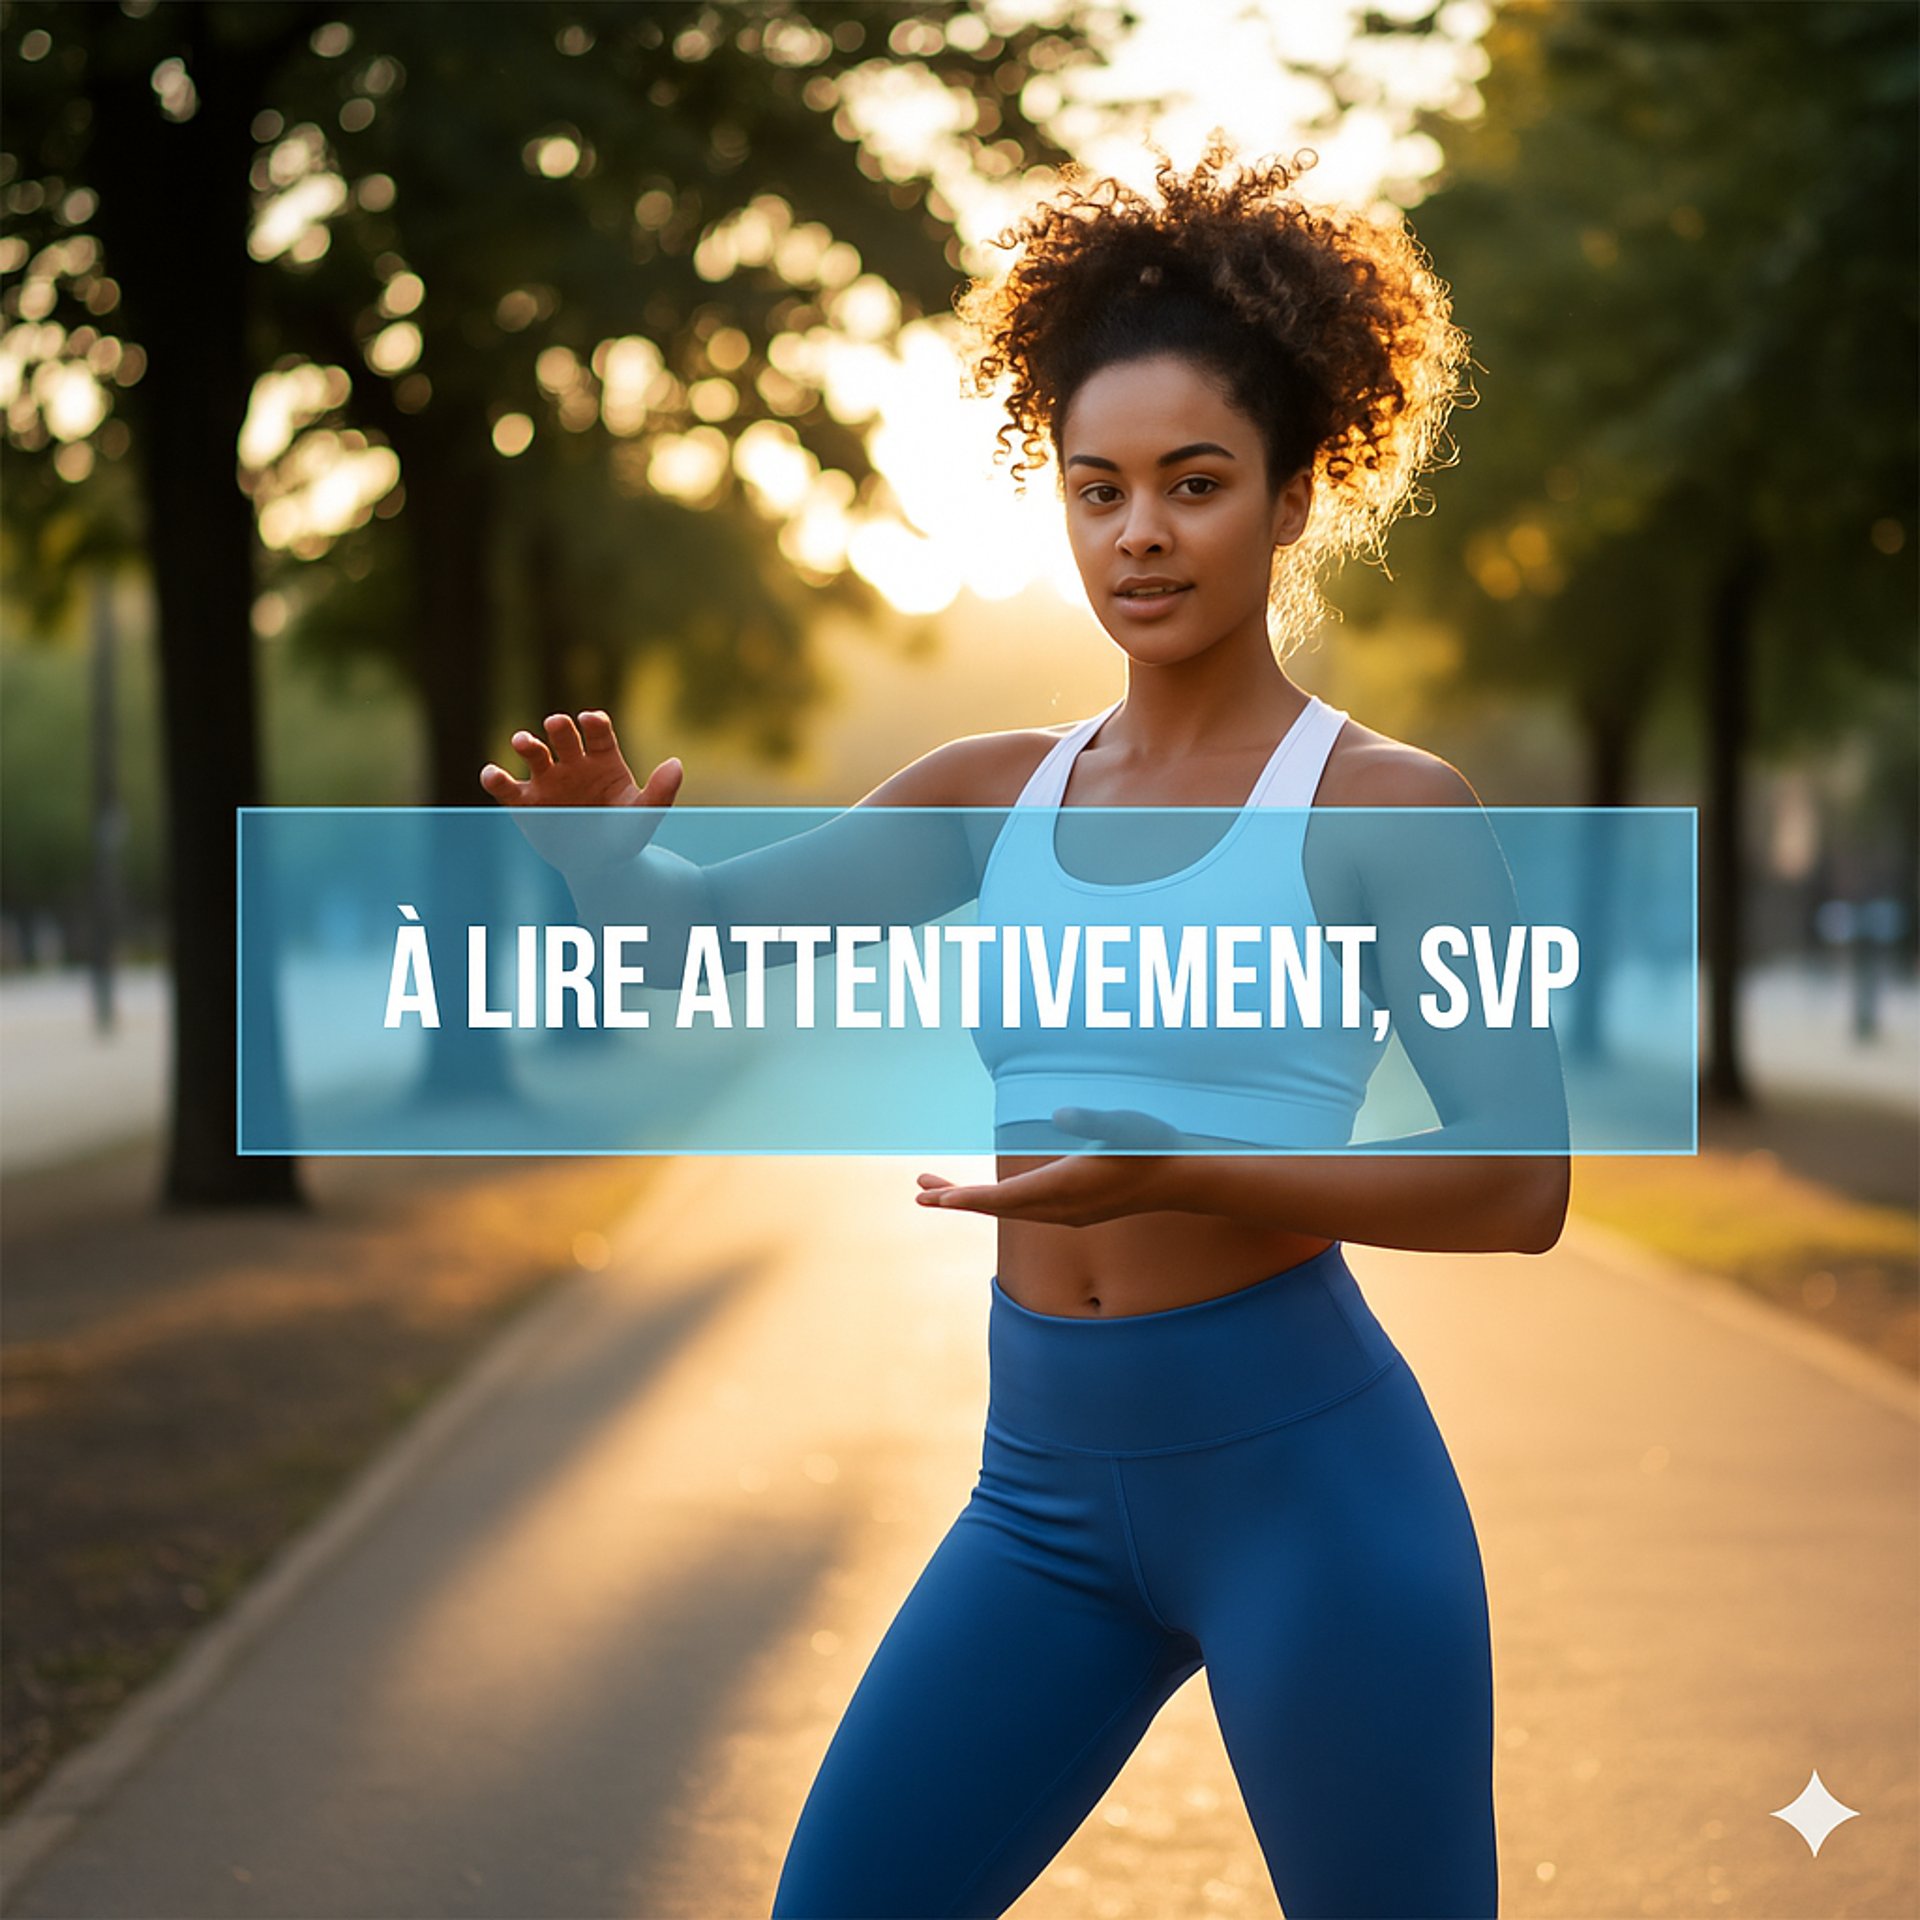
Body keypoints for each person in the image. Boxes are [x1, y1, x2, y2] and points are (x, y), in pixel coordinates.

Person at [483, 145, 1569, 1920]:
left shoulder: (1391, 808)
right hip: (1044, 1500)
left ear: (1296, 496)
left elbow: (1521, 1180)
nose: (1141, 533)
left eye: (1196, 483)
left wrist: (1181, 1164)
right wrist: (613, 868)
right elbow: (693, 939)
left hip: (1311, 1494)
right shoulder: (988, 795)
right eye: (1100, 488)